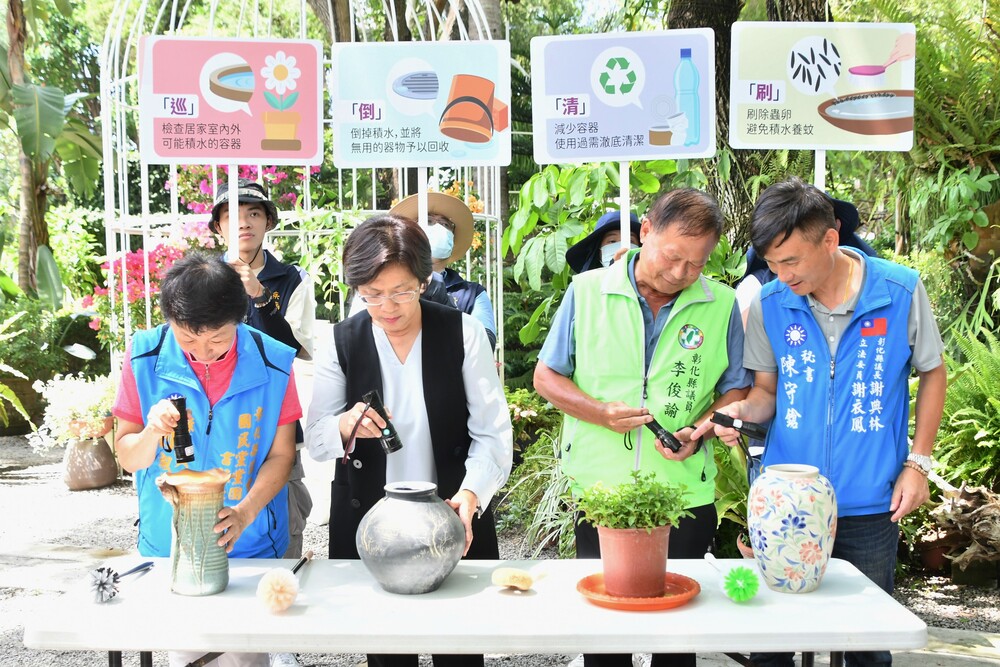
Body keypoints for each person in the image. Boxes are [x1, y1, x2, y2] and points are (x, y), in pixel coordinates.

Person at [692, 176, 947, 667]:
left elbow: (933, 372)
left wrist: (918, 463)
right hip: (787, 500)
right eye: (770, 262)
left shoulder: (898, 290)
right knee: (774, 642)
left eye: (791, 261)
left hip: (871, 497)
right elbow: (766, 393)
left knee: (867, 645)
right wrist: (742, 411)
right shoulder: (769, 303)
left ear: (830, 239)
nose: (781, 274)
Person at [533, 189, 751, 667]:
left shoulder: (722, 304)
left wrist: (701, 430)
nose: (681, 273)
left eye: (696, 264)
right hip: (601, 492)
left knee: (677, 639)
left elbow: (736, 388)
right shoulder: (587, 291)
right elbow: (546, 377)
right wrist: (598, 412)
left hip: (685, 496)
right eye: (673, 256)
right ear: (646, 231)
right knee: (605, 635)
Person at [305, 213, 513, 667]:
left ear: (424, 279)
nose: (387, 308)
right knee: (385, 647)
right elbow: (316, 438)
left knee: (458, 645)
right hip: (371, 517)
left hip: (454, 509)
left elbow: (493, 433)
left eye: (401, 291)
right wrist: (344, 425)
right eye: (372, 295)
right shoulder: (342, 341)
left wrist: (472, 494)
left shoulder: (464, 332)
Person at [112, 252, 300, 667]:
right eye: (187, 339)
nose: (204, 352)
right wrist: (150, 432)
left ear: (240, 317)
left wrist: (246, 512)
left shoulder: (275, 361)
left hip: (251, 544)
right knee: (188, 652)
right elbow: (128, 456)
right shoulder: (143, 356)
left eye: (217, 339)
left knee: (246, 654)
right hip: (170, 545)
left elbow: (282, 454)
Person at [209, 178, 315, 563]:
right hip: (215, 418)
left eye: (253, 213)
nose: (243, 223)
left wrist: (260, 296)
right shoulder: (201, 277)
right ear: (218, 227)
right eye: (231, 215)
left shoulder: (291, 279)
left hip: (274, 419)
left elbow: (296, 348)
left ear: (268, 221)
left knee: (283, 517)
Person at [389, 191, 498, 349]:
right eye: (428, 221)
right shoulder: (382, 283)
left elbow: (485, 345)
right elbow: (359, 340)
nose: (439, 228)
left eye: (446, 224)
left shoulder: (472, 294)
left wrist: (444, 304)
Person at [565, 209, 642, 274]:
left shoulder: (651, 286)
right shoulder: (584, 286)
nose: (621, 248)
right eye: (612, 241)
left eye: (630, 241)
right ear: (599, 252)